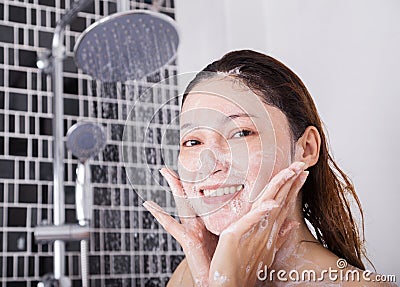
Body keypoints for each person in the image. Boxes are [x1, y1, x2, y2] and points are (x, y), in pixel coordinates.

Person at [143, 50, 397, 286]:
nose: (207, 163)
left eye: (241, 133)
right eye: (193, 141)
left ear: (306, 149)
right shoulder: (188, 275)